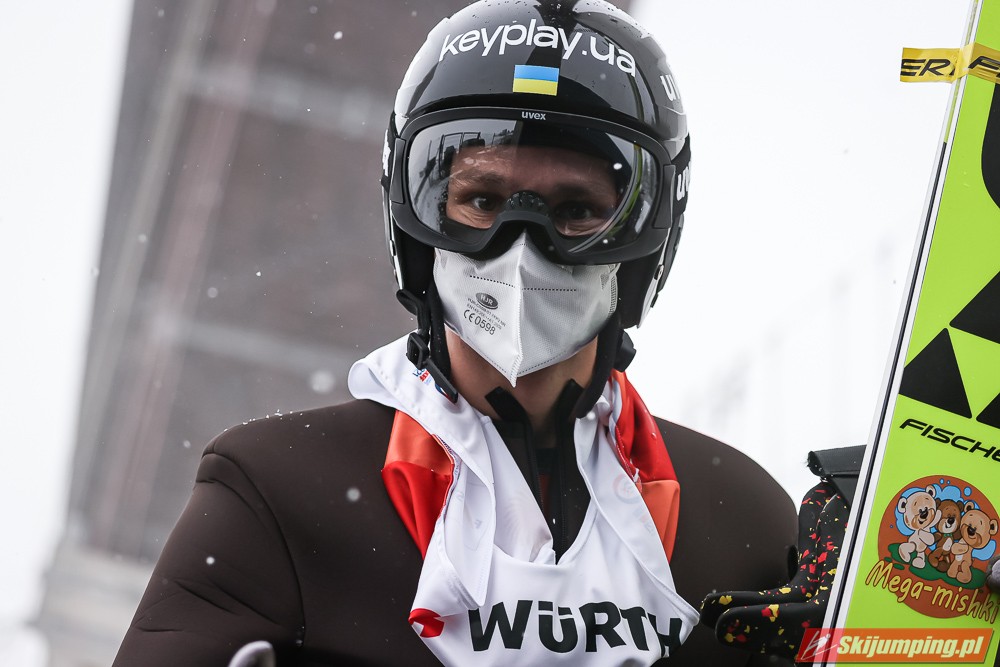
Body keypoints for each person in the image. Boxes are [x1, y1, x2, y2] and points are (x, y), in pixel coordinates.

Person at [114, 1, 808, 665]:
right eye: (482, 200)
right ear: (418, 225)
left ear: (642, 245)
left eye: (575, 210)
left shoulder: (744, 523)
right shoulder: (278, 493)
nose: (522, 248)